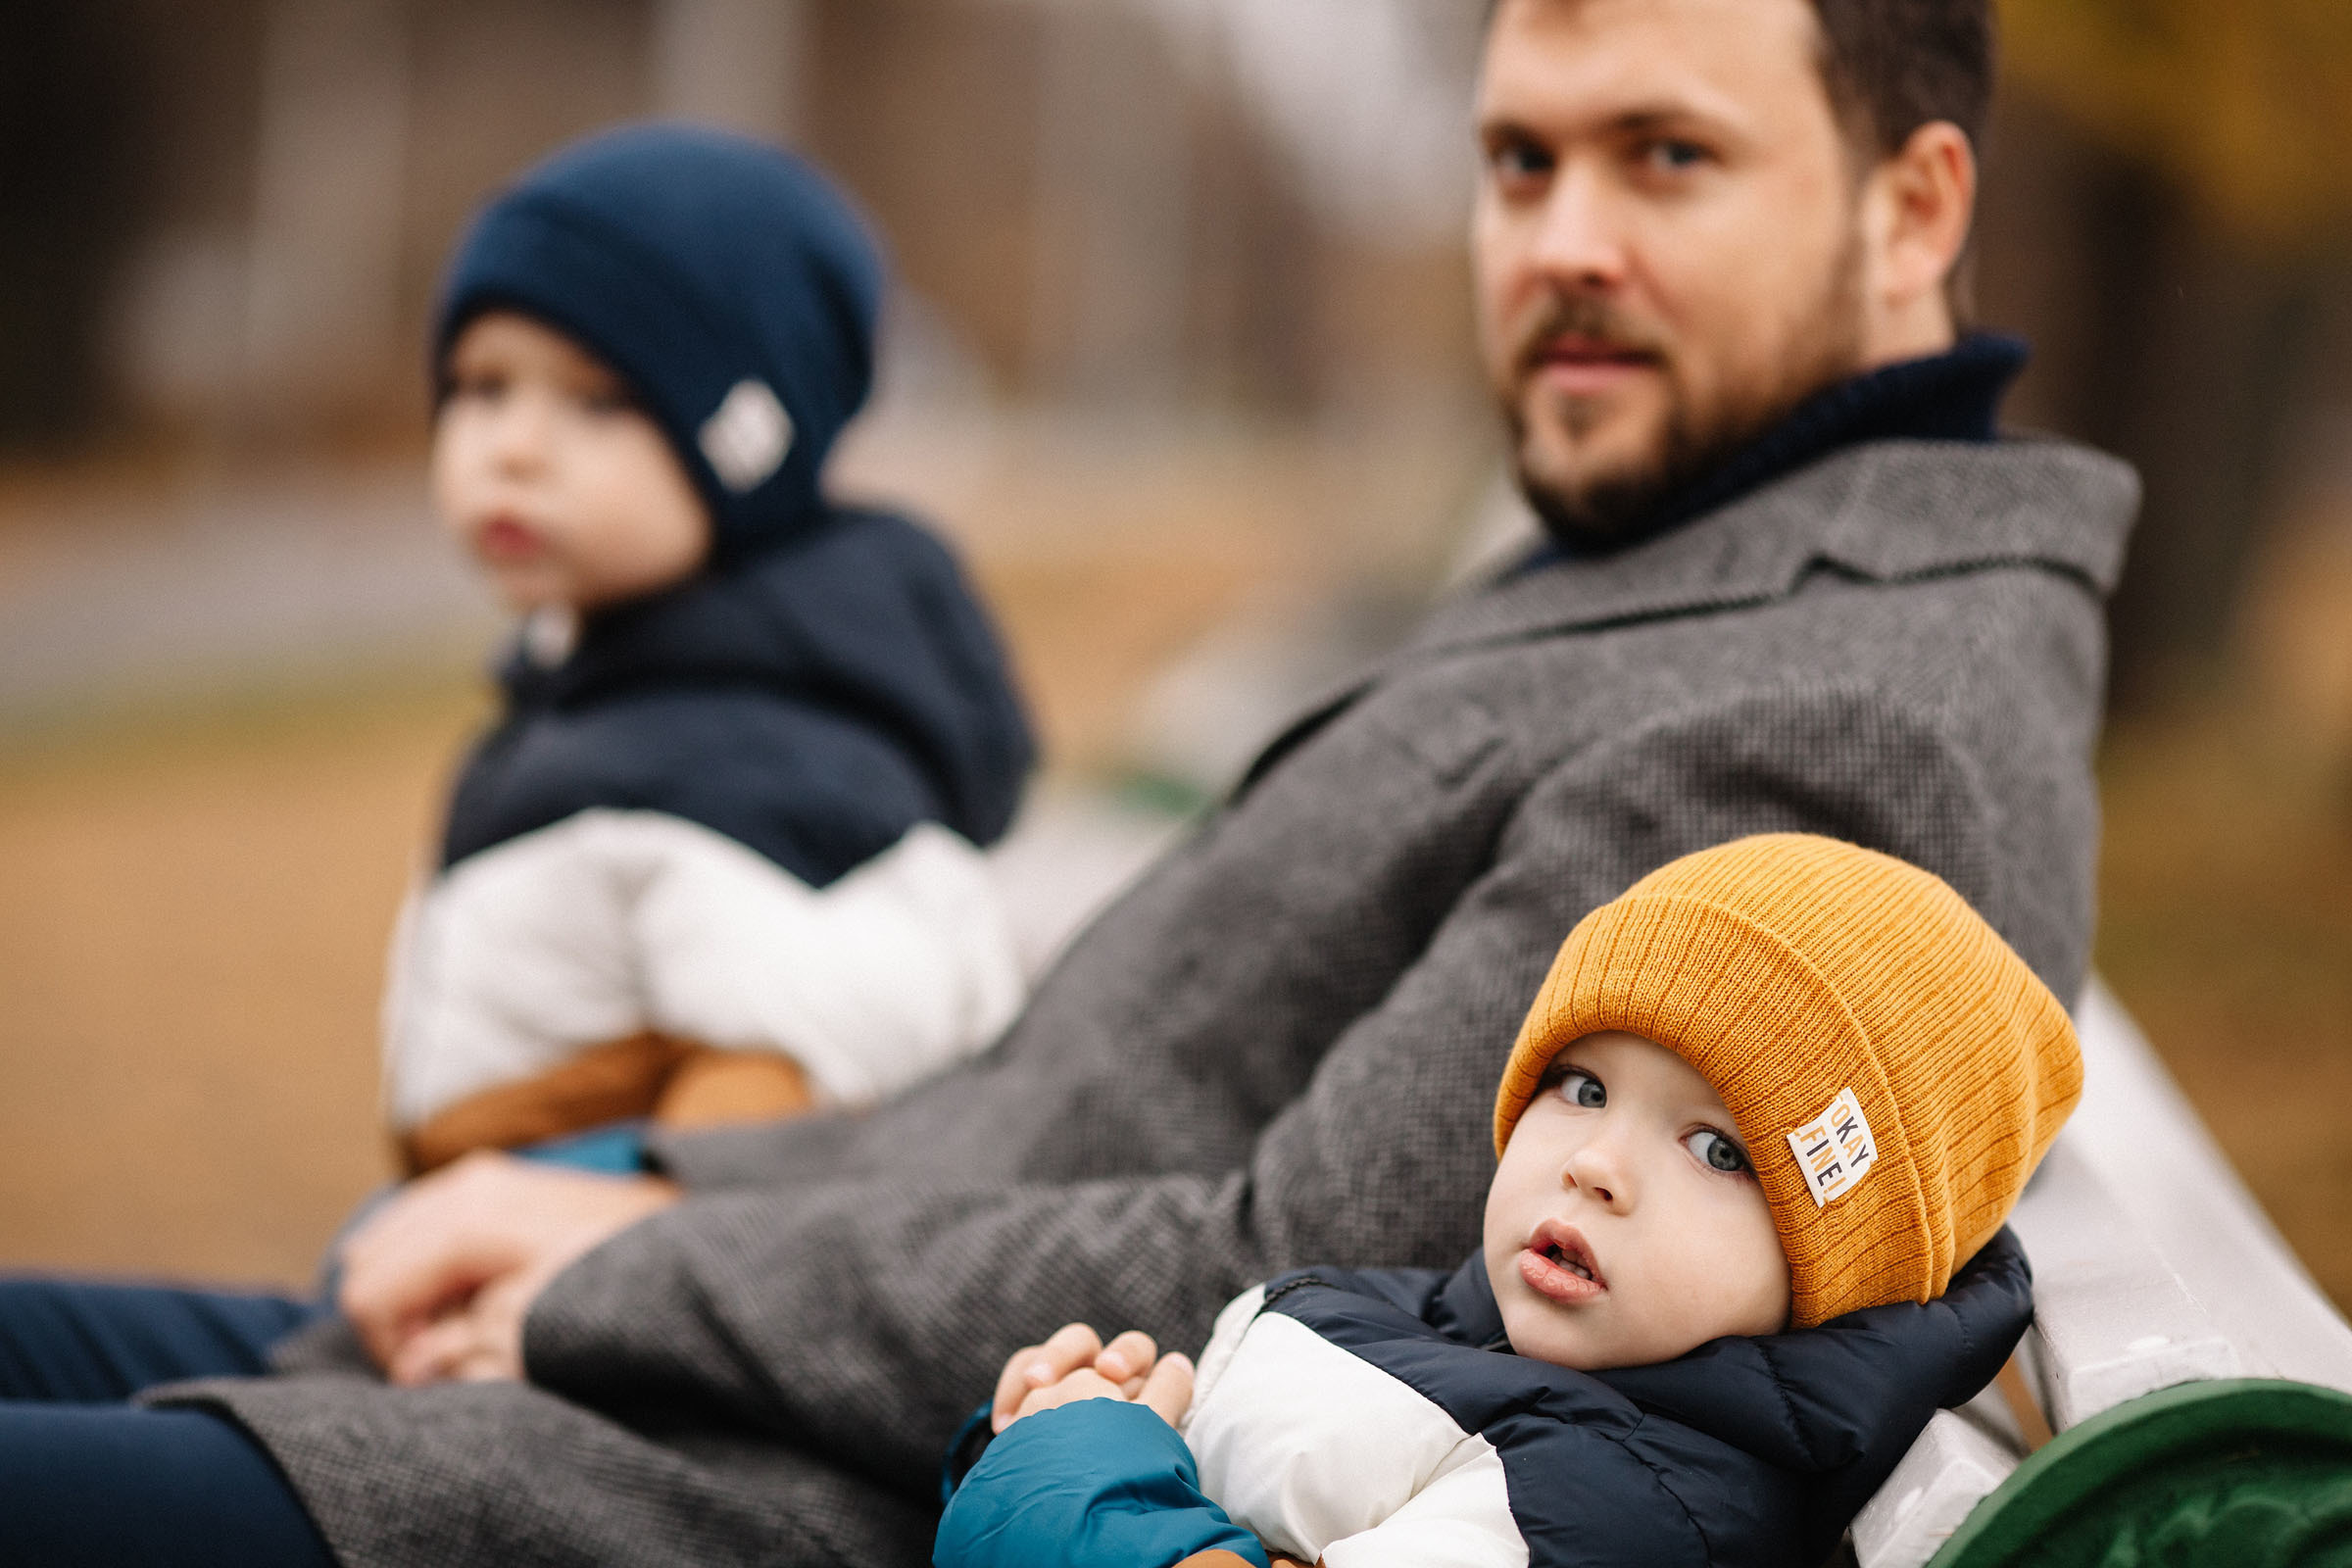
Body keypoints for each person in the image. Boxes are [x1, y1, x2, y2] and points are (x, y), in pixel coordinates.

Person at [0, 1, 2139, 1563]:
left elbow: (1312, 1260)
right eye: (1516, 159)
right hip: (759, 1340)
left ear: (1913, 206)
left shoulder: (1840, 716)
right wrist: (653, 1191)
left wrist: (612, 1258)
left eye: (1664, 156)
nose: (1560, 236)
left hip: (795, 1480)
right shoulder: (1712, 567)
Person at [932, 834, 2081, 1567]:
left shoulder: (1624, 1507)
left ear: (1839, 1271)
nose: (1597, 1165)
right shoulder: (1432, 1322)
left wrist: (1066, 1482)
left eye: (1719, 1150)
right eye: (1583, 1087)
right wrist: (1054, 1430)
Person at [387, 122, 1034, 1175]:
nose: (510, 446)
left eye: (598, 401)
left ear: (748, 445)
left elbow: (811, 1067)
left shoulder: (758, 758)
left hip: (560, 1297)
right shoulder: (613, 687)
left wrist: (594, 1231)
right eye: (480, 385)